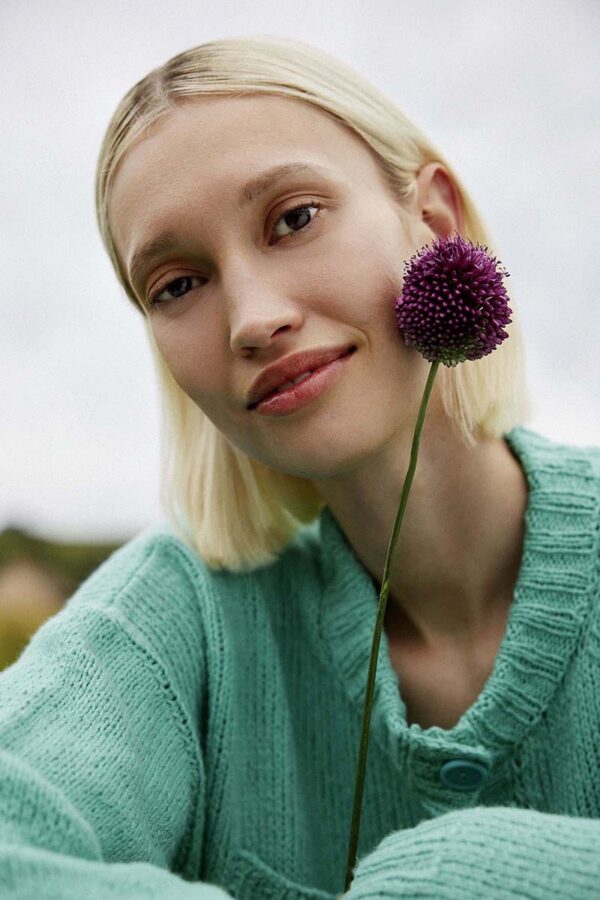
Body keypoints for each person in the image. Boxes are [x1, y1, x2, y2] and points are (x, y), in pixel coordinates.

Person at [1, 34, 599, 900]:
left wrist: (458, 874)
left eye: (294, 219)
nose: (252, 319)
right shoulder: (182, 618)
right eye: (177, 285)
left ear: (434, 221)